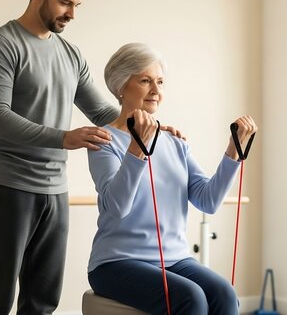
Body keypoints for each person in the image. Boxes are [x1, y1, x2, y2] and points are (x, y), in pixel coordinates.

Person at [0, 0, 130, 314]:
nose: (72, 13)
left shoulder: (70, 54)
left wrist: (145, 124)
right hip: (7, 184)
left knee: (42, 302)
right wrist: (64, 138)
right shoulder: (0, 44)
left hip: (55, 192)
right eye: (65, 2)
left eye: (77, 5)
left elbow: (103, 114)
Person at [86, 42, 257, 315]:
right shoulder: (103, 141)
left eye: (160, 82)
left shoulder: (175, 142)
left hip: (175, 259)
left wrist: (232, 152)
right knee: (190, 298)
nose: (156, 90)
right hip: (116, 262)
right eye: (145, 80)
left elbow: (208, 200)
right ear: (120, 86)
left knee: (224, 294)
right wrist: (137, 149)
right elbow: (117, 207)